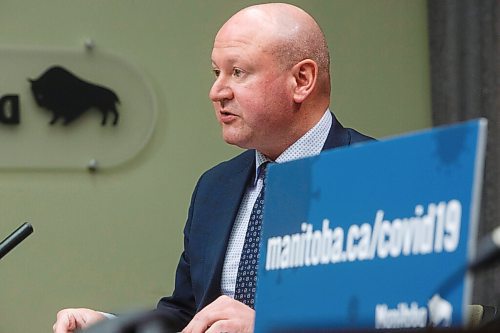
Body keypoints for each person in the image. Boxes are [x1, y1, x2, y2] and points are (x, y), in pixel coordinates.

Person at [53, 3, 373, 333]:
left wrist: (270, 326)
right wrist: (111, 326)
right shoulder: (215, 187)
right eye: (215, 72)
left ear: (301, 80)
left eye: (238, 72)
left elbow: (412, 316)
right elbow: (187, 312)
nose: (216, 91)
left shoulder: (385, 176)